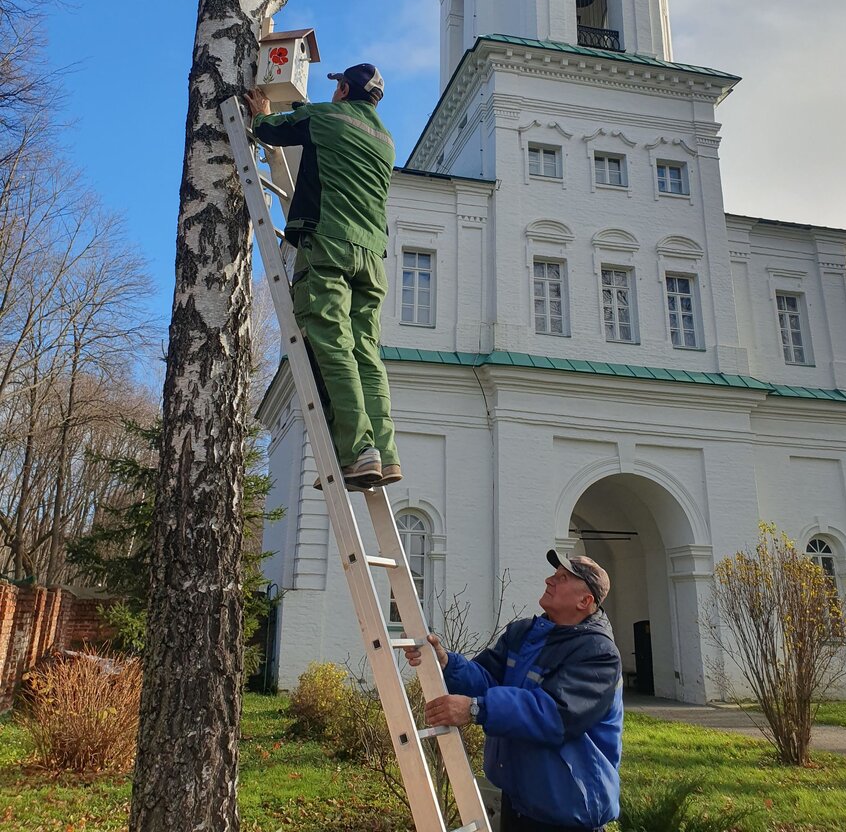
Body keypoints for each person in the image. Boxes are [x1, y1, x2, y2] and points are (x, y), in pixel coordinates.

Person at [245, 63, 401, 489]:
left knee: (332, 344)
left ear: (345, 88)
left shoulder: (325, 116)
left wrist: (260, 113)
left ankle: (356, 451)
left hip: (328, 244)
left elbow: (274, 130)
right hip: (371, 257)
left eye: (337, 87)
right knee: (365, 353)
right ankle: (384, 454)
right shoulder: (385, 139)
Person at [404, 550, 622, 832]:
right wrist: (447, 662)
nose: (549, 580)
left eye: (563, 578)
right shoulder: (523, 634)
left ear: (585, 601)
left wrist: (475, 708)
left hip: (567, 810)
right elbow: (487, 679)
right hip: (519, 800)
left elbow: (554, 714)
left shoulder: (598, 654)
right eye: (554, 574)